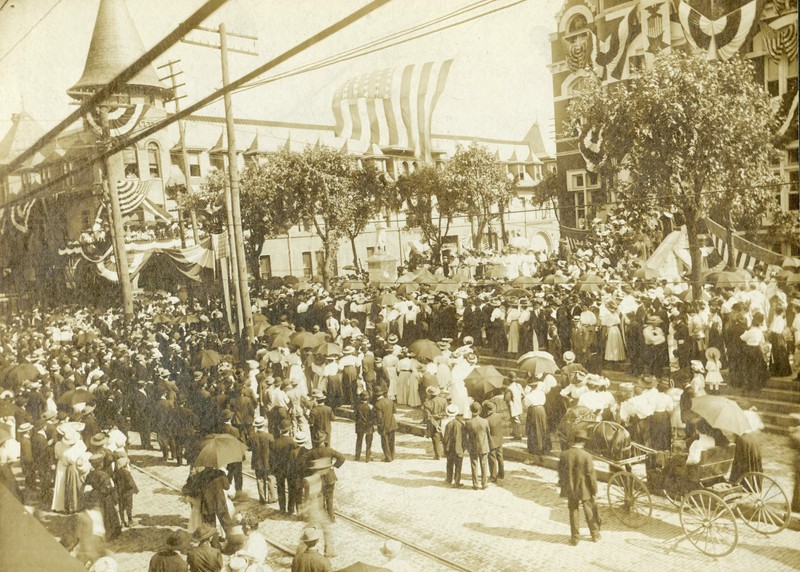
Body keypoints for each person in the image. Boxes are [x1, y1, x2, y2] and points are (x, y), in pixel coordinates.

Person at [558, 428, 600, 546]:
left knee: (573, 511)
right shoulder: (587, 456)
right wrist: (594, 489)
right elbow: (591, 475)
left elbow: (561, 472)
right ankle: (595, 534)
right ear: (583, 442)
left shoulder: (564, 454)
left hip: (571, 487)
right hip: (585, 488)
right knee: (589, 510)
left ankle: (575, 538)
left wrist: (563, 484)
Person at [463, 402, 491, 490]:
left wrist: (466, 446)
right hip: (483, 446)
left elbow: (466, 436)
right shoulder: (485, 421)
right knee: (484, 465)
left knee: (474, 465)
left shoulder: (468, 422)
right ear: (480, 410)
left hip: (473, 446)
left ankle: (475, 484)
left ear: (471, 411)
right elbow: (488, 434)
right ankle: (484, 483)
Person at [251, 416, 276, 505]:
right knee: (270, 479)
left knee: (259, 480)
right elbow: (273, 449)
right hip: (268, 461)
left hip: (257, 461)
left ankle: (262, 498)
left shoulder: (252, 436)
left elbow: (249, 447)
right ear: (264, 425)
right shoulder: (269, 436)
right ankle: (271, 497)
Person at [422, 385, 447, 460]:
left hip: (433, 423)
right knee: (444, 438)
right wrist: (439, 416)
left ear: (429, 394)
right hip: (443, 422)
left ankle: (438, 455)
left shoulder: (426, 403)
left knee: (435, 439)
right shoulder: (443, 400)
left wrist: (436, 424)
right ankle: (446, 453)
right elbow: (446, 412)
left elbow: (429, 416)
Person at [373, 388, 397, 462]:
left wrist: (376, 424)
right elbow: (394, 411)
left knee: (385, 442)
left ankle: (388, 457)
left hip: (384, 425)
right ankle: (392, 456)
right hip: (392, 423)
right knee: (392, 441)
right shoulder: (390, 400)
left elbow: (379, 417)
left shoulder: (377, 404)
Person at [113, 455, 138, 527]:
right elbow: (131, 483)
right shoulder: (126, 473)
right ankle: (130, 521)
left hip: (120, 493)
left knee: (121, 507)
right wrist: (134, 489)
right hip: (127, 493)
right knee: (129, 507)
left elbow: (115, 482)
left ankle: (122, 521)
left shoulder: (116, 473)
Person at [484, 401, 505, 483]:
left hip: (492, 442)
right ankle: (501, 473)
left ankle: (493, 476)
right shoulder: (498, 416)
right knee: (500, 457)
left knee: (492, 458)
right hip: (499, 440)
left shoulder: (486, 420)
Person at [353, 391, 374, 462]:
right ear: (367, 398)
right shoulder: (370, 407)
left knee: (359, 441)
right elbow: (373, 417)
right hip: (368, 426)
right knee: (368, 443)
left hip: (359, 426)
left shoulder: (357, 407)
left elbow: (354, 416)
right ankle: (368, 458)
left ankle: (357, 457)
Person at [504, 373, 524, 440]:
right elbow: (523, 395)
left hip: (513, 406)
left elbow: (506, 399)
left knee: (515, 421)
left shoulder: (509, 388)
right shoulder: (519, 385)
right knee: (516, 419)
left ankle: (518, 435)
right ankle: (515, 432)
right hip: (519, 405)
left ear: (509, 379)